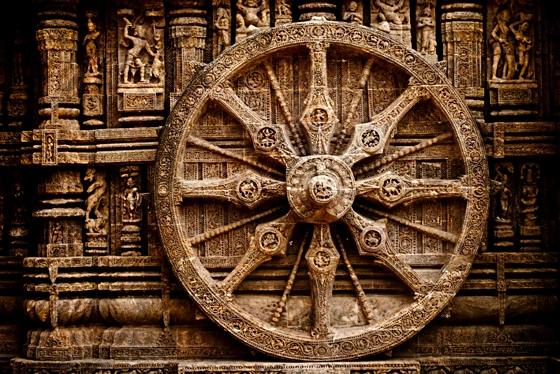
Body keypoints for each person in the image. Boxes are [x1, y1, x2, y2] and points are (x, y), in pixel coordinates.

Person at [122, 17, 156, 83]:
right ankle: (125, 80)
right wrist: (126, 27)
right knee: (127, 66)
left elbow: (149, 51)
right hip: (131, 54)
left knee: (141, 66)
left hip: (136, 56)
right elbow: (125, 35)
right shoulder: (135, 39)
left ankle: (142, 79)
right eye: (139, 31)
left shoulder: (144, 42)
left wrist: (155, 55)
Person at [490, 10, 515, 80]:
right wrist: (500, 39)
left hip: (505, 44)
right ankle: (494, 75)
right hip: (498, 43)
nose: (509, 17)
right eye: (507, 16)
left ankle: (504, 75)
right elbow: (493, 33)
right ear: (503, 16)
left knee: (506, 60)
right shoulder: (499, 24)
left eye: (509, 16)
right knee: (496, 59)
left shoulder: (506, 26)